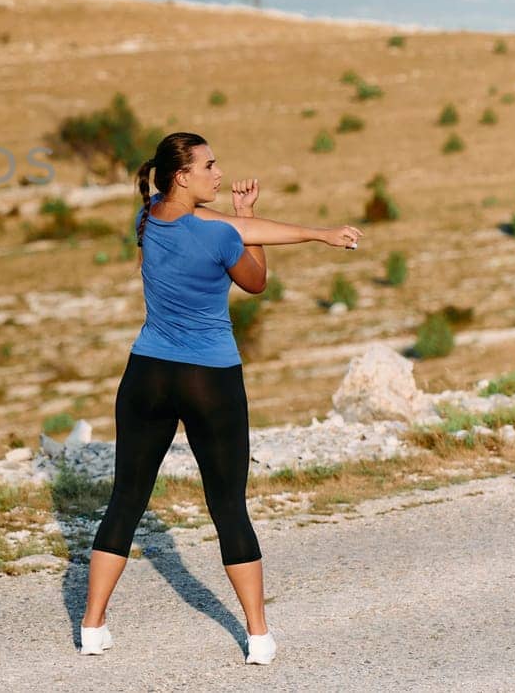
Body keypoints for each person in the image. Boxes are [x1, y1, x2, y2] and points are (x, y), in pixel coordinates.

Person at [78, 131, 363, 665]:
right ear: (182, 175)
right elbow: (255, 281)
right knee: (227, 505)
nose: (217, 173)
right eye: (209, 166)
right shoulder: (219, 234)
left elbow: (214, 227)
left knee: (126, 501)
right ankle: (257, 635)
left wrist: (244, 220)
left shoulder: (146, 218)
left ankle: (92, 626)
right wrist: (307, 232)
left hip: (146, 375)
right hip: (209, 379)